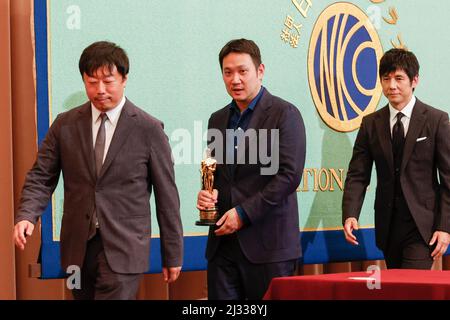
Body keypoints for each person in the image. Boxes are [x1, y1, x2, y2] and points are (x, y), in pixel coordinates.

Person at [13, 41, 183, 299]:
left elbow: (167, 195)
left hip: (125, 248)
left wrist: (173, 253)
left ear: (124, 79)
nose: (100, 90)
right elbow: (41, 176)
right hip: (77, 249)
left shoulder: (148, 129)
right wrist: (27, 215)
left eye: (108, 81)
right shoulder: (65, 124)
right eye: (92, 82)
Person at [197, 39, 306, 299]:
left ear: (260, 71)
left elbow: (288, 177)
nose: (235, 79)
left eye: (242, 71)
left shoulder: (284, 114)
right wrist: (206, 195)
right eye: (228, 72)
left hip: (269, 248)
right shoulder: (218, 119)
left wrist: (243, 214)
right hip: (222, 247)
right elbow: (216, 174)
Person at [342, 48, 450, 269]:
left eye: (399, 78)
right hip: (388, 227)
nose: (392, 85)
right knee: (396, 288)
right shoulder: (371, 123)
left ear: (414, 80)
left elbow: (448, 179)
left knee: (410, 290)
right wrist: (351, 213)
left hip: (422, 227)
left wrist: (445, 226)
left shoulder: (437, 120)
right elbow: (357, 175)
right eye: (386, 79)